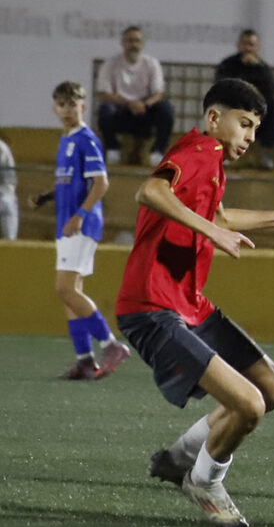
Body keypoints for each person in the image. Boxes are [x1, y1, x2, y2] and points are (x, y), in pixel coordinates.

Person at [116, 79, 274, 527]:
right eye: (245, 123)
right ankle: (204, 482)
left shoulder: (210, 159)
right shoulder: (200, 151)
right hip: (151, 307)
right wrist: (213, 233)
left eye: (256, 128)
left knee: (271, 388)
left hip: (187, 304)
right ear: (215, 118)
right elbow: (150, 192)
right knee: (250, 406)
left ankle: (181, 457)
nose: (251, 136)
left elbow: (218, 216)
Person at [28, 81, 131, 380]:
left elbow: (101, 183)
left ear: (83, 106)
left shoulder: (86, 139)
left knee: (64, 289)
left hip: (80, 224)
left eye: (73, 104)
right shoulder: (66, 140)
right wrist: (47, 198)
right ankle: (85, 360)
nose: (67, 110)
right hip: (68, 223)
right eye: (62, 104)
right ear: (55, 108)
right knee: (71, 293)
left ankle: (111, 345)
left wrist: (80, 215)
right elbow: (72, 183)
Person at [96, 26, 174, 166]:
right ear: (123, 43)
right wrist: (129, 104)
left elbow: (158, 93)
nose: (134, 45)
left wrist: (144, 104)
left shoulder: (152, 63)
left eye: (137, 41)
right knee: (105, 109)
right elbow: (104, 94)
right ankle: (112, 149)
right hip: (122, 111)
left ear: (142, 44)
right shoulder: (110, 63)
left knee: (166, 109)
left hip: (145, 111)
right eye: (130, 41)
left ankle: (158, 151)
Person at [216, 29, 274, 170]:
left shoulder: (263, 67)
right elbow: (222, 87)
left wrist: (257, 68)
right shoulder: (228, 64)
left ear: (257, 48)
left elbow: (270, 91)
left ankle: (266, 153)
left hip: (256, 109)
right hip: (234, 106)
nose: (247, 48)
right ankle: (224, 151)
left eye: (251, 45)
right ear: (239, 45)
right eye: (245, 44)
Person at [0, 136, 16, 240]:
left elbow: (8, 182)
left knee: (7, 203)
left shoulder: (1, 148)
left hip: (2, 194)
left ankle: (10, 244)